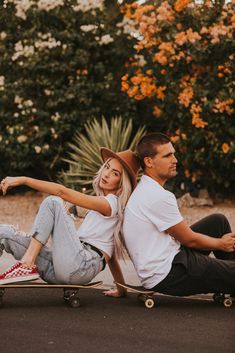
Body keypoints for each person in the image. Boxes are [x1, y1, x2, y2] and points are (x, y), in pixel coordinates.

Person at [0, 148, 140, 297]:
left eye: (115, 173)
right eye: (107, 167)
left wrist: (23, 180)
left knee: (54, 202)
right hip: (61, 267)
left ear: (122, 183)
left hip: (80, 266)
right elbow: (110, 255)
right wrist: (121, 289)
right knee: (4, 233)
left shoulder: (111, 204)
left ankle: (27, 264)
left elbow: (62, 192)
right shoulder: (105, 208)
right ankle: (27, 264)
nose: (106, 174)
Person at [123, 132, 235, 297]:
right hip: (169, 273)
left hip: (171, 257)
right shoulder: (158, 196)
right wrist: (221, 244)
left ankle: (229, 281)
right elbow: (190, 239)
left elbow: (183, 237)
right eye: (167, 156)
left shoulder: (146, 188)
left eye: (173, 154)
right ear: (149, 161)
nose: (175, 160)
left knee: (217, 221)